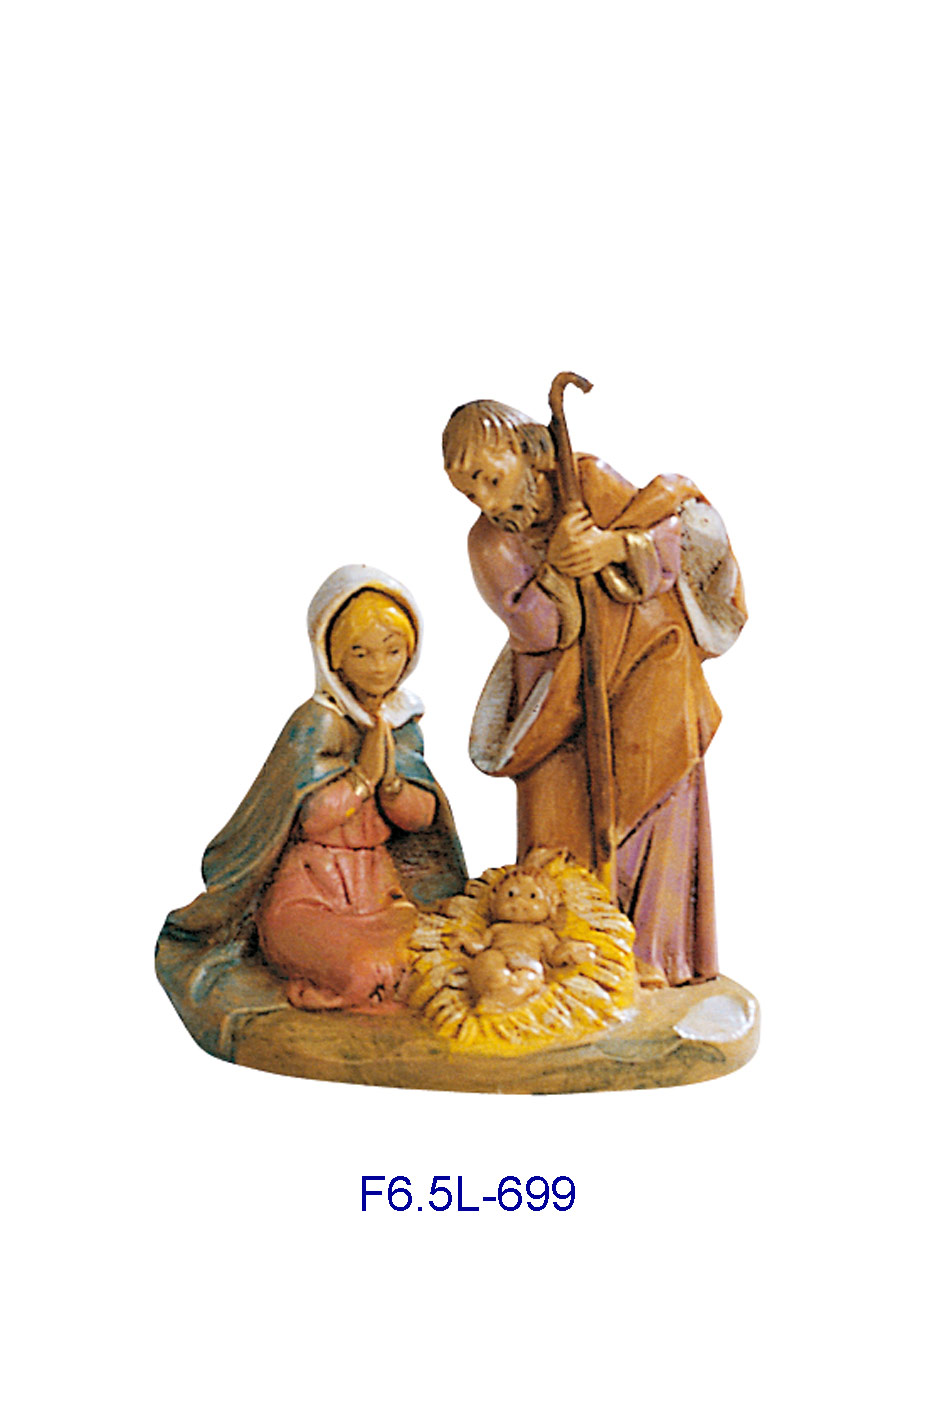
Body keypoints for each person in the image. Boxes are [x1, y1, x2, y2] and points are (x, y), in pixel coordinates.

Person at [442, 398, 746, 986]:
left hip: (649, 656)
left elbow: (669, 537)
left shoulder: (587, 480)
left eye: (488, 477)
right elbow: (538, 631)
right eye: (468, 491)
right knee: (559, 823)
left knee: (654, 788)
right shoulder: (489, 545)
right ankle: (562, 956)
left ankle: (651, 953)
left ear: (525, 451)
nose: (484, 500)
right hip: (560, 698)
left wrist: (612, 547)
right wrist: (557, 570)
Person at [163, 566, 466, 1011]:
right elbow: (313, 818)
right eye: (362, 653)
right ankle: (316, 999)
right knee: (366, 969)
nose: (380, 665)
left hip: (380, 891)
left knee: (439, 959)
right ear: (332, 657)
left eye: (392, 650)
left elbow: (420, 818)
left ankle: (372, 1002)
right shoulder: (318, 723)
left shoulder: (401, 725)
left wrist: (391, 784)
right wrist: (361, 779)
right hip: (311, 894)